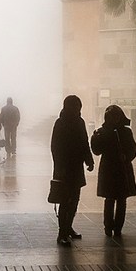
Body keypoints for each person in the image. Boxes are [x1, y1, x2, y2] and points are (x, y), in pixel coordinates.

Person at [50, 95, 94, 246]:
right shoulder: (60, 123)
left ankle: (68, 227)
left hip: (76, 168)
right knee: (64, 201)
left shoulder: (80, 122)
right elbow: (55, 147)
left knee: (74, 200)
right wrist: (60, 167)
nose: (77, 109)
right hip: (64, 169)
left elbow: (84, 142)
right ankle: (62, 233)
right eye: (75, 106)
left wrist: (89, 159)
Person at [90, 104, 136, 238]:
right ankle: (108, 226)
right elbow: (97, 151)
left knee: (121, 200)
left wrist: (127, 157)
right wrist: (95, 139)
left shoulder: (126, 132)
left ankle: (118, 227)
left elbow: (133, 149)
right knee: (110, 199)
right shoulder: (102, 132)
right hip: (110, 169)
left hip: (121, 169)